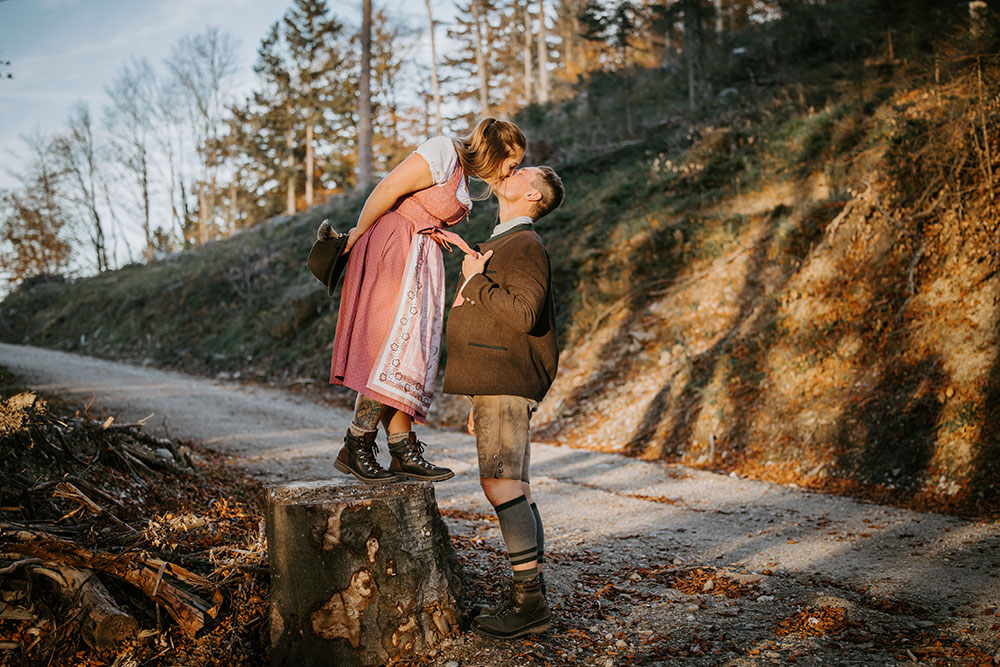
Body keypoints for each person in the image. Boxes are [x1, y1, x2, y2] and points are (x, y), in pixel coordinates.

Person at [326, 118, 526, 484]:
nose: (512, 172)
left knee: (411, 357)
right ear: (496, 152)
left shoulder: (463, 176)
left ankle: (402, 448)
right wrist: (354, 238)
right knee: (393, 351)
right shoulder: (443, 152)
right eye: (511, 164)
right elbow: (386, 191)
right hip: (397, 250)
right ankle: (356, 442)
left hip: (421, 256)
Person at [442, 165, 565, 638]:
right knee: (516, 486)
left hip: (506, 382)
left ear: (533, 194)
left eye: (521, 171)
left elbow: (524, 313)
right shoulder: (503, 240)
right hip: (495, 384)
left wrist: (475, 280)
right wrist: (478, 396)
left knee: (501, 487)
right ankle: (532, 595)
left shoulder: (525, 244)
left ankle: (529, 605)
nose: (509, 171)